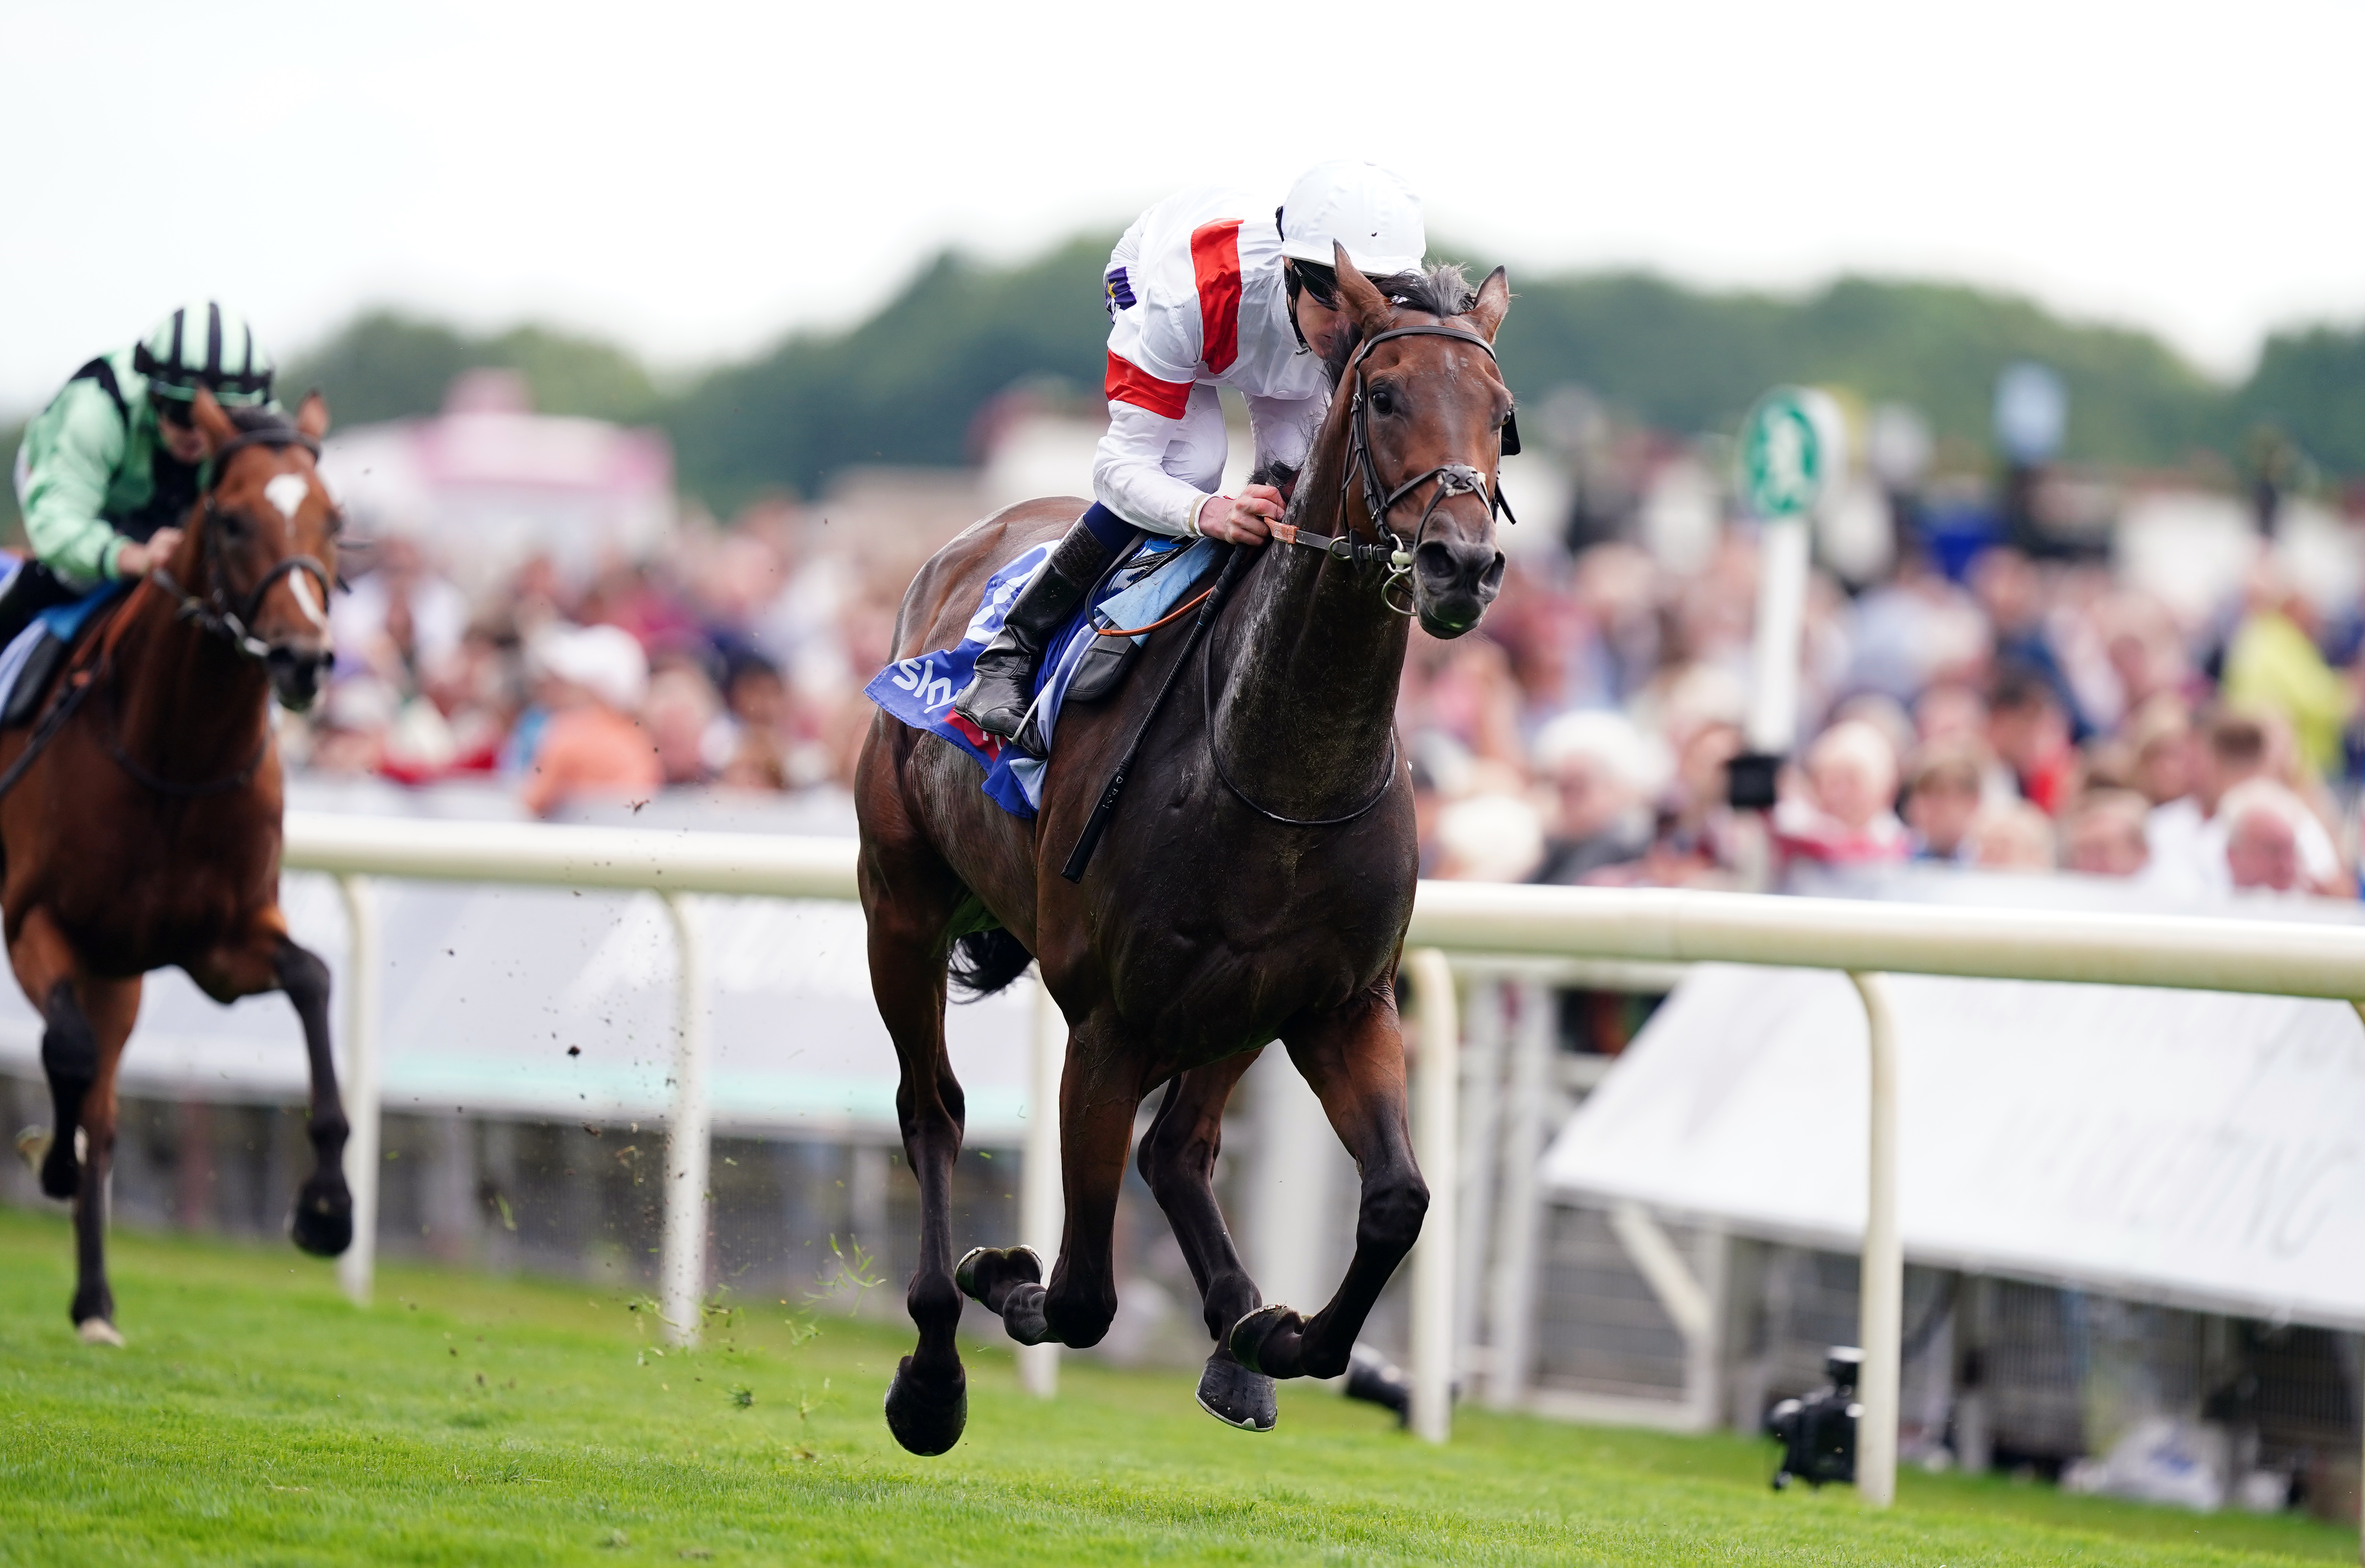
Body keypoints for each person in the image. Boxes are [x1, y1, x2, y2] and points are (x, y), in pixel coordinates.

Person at [952, 161, 1433, 747]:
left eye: (1363, 303)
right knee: (1193, 463)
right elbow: (1119, 470)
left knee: (1298, 474)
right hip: (1158, 277)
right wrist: (1211, 512)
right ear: (1289, 270)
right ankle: (1012, 650)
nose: (1342, 327)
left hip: (1257, 321)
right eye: (1327, 300)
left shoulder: (1379, 320)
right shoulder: (1186, 298)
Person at [3, 302, 278, 653]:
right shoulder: (95, 413)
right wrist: (132, 556)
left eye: (219, 417)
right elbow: (57, 525)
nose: (197, 432)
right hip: (77, 495)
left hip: (169, 504)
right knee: (77, 575)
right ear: (152, 393)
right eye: (180, 411)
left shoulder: (261, 423)